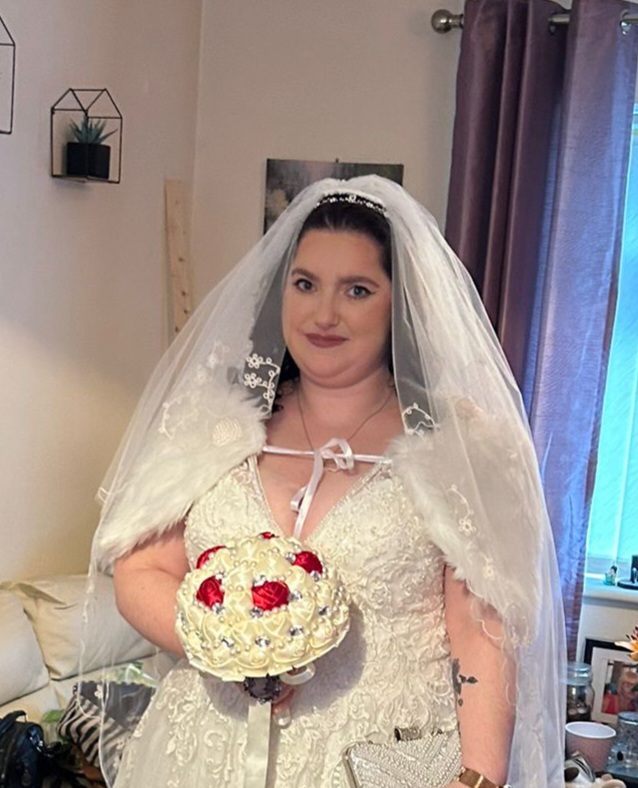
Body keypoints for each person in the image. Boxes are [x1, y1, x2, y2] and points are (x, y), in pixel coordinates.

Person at [86, 175, 566, 788]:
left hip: (377, 759)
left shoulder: (456, 447)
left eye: (357, 290)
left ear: (400, 305)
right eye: (306, 284)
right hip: (202, 753)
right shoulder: (212, 428)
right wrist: (229, 648)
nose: (324, 314)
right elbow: (140, 571)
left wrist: (479, 775)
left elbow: (481, 627)